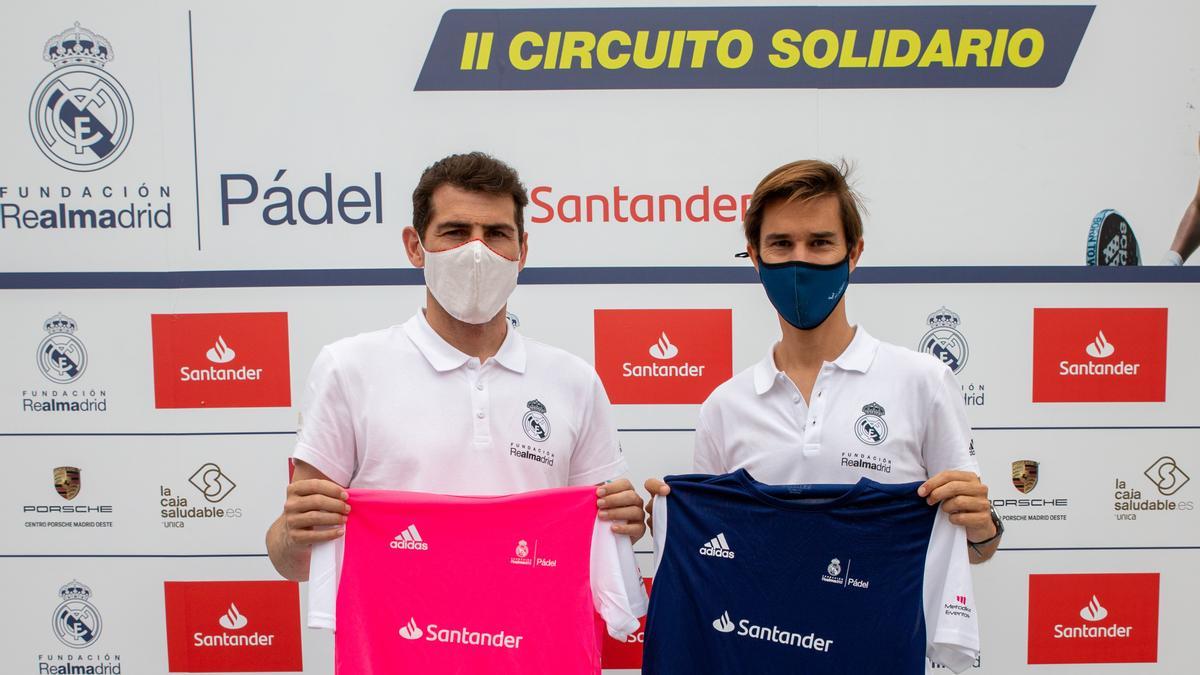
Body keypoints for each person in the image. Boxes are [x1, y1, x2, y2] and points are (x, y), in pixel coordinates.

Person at [266, 152, 646, 583]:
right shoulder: (348, 368)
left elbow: (600, 537)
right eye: (456, 232)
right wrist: (294, 535)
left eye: (497, 233)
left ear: (522, 251)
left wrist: (623, 525)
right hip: (400, 645)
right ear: (415, 246)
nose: (477, 251)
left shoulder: (574, 380)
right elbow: (293, 559)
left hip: (533, 644)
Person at [645, 159, 1002, 563]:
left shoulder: (924, 381)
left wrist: (981, 527)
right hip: (768, 627)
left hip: (888, 627)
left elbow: (975, 549)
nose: (801, 262)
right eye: (781, 244)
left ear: (853, 253)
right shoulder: (725, 406)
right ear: (755, 257)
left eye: (819, 243)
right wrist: (674, 525)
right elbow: (717, 550)